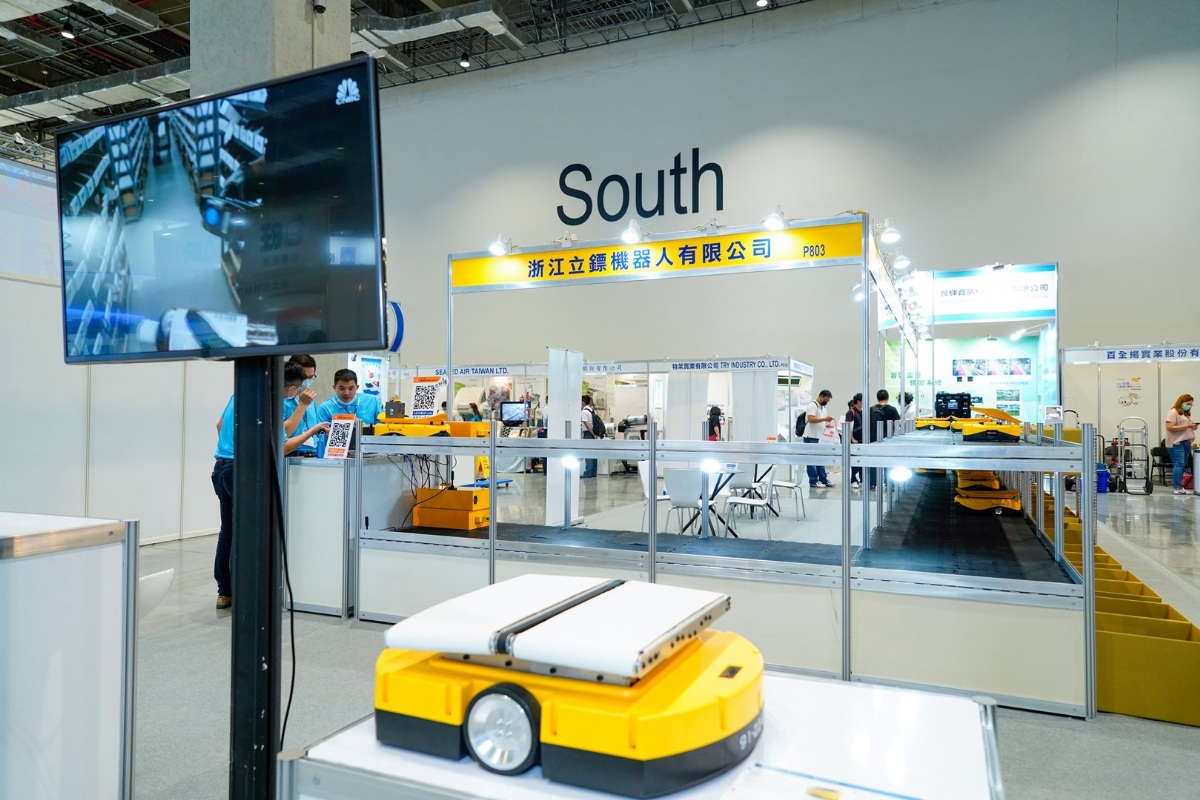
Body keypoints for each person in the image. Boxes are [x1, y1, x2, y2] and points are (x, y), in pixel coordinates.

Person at [212, 361, 329, 610]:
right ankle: (244, 594)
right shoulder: (271, 404)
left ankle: (225, 592)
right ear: (291, 389)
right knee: (246, 535)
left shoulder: (242, 394)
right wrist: (312, 431)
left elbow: (219, 425)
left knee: (228, 532)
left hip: (221, 468)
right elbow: (282, 447)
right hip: (243, 473)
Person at [316, 368, 383, 430]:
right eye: (342, 389)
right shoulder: (324, 408)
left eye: (351, 388)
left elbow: (383, 426)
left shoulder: (371, 401)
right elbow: (320, 434)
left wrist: (365, 427)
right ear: (334, 387)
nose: (346, 393)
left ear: (357, 387)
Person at [284, 354, 320, 456]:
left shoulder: (311, 401)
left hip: (311, 454)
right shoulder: (282, 400)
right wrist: (302, 405)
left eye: (311, 377)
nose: (307, 382)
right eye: (304, 378)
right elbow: (282, 434)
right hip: (290, 454)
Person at [868, 389, 901, 489]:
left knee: (873, 461)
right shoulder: (892, 409)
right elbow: (896, 424)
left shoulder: (871, 409)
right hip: (887, 439)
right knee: (888, 461)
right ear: (887, 398)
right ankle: (889, 484)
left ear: (877, 398)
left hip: (873, 439)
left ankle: (872, 483)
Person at [1164, 393, 1198, 495]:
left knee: (1182, 465)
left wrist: (1193, 426)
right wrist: (1187, 426)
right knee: (1178, 464)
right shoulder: (1172, 412)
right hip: (1176, 442)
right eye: (1188, 403)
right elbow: (1170, 427)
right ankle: (1177, 487)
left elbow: (1187, 426)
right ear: (1181, 402)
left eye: (1191, 404)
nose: (1189, 406)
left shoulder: (1185, 414)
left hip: (1186, 441)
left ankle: (1180, 486)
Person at [802, 389, 836, 488]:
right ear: (821, 397)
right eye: (826, 399)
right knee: (811, 460)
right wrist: (825, 419)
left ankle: (823, 479)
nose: (827, 402)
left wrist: (827, 425)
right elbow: (811, 419)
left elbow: (821, 420)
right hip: (811, 436)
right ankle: (813, 480)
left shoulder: (823, 407)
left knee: (821, 459)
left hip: (820, 437)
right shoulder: (812, 405)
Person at [845, 394, 864, 488]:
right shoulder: (851, 412)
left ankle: (862, 479)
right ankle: (853, 479)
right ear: (859, 401)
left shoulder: (862, 412)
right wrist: (852, 438)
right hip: (854, 441)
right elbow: (848, 427)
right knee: (854, 462)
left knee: (862, 461)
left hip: (862, 440)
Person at [581, 395, 598, 479]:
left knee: (588, 453)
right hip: (593, 433)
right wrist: (595, 434)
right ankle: (593, 472)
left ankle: (587, 472)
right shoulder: (592, 410)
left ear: (583, 402)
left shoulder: (584, 411)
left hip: (588, 433)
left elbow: (587, 425)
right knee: (593, 453)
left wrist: (592, 433)